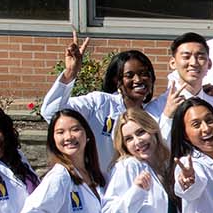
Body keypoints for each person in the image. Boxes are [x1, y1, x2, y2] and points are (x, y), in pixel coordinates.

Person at [40, 36, 166, 172]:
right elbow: (51, 112)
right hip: (99, 188)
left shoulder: (155, 112)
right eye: (129, 75)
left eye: (144, 74)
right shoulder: (99, 103)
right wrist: (71, 72)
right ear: (117, 81)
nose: (138, 80)